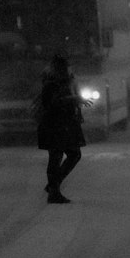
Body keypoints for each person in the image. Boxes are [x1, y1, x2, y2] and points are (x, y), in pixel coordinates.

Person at [36, 53, 86, 204]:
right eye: (67, 67)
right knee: (60, 156)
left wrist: (76, 103)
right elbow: (50, 104)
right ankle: (53, 190)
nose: (70, 70)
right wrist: (73, 100)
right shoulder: (51, 84)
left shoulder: (64, 82)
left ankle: (53, 187)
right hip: (56, 126)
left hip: (63, 125)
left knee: (68, 155)